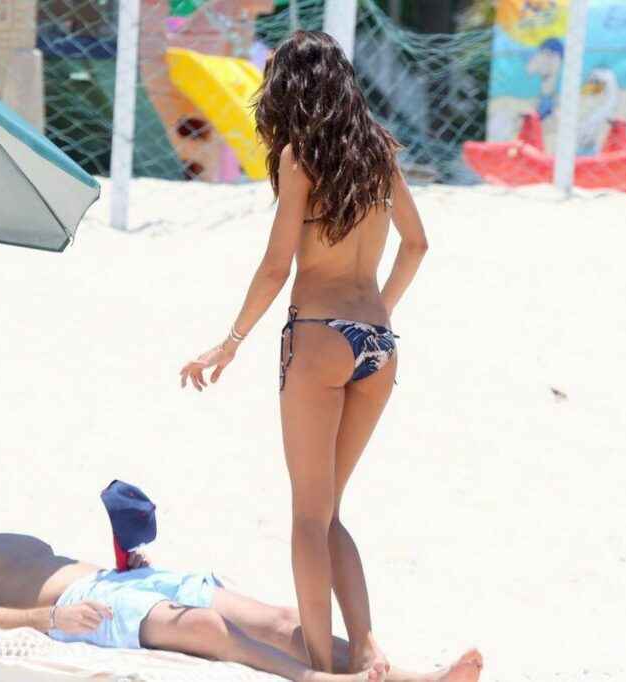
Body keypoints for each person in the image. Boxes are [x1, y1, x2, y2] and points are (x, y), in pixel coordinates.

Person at [179, 30, 446, 677]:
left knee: (307, 514)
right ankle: (369, 651)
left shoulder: (300, 157)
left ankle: (325, 667)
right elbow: (417, 244)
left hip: (320, 336)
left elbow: (277, 266)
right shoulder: (379, 152)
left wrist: (230, 342)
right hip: (377, 345)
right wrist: (378, 311)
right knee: (330, 514)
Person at [0, 436, 483, 682]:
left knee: (282, 618)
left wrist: (128, 561)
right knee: (206, 627)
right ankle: (318, 680)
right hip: (81, 608)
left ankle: (412, 680)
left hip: (124, 580)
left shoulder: (1, 537)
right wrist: (50, 619)